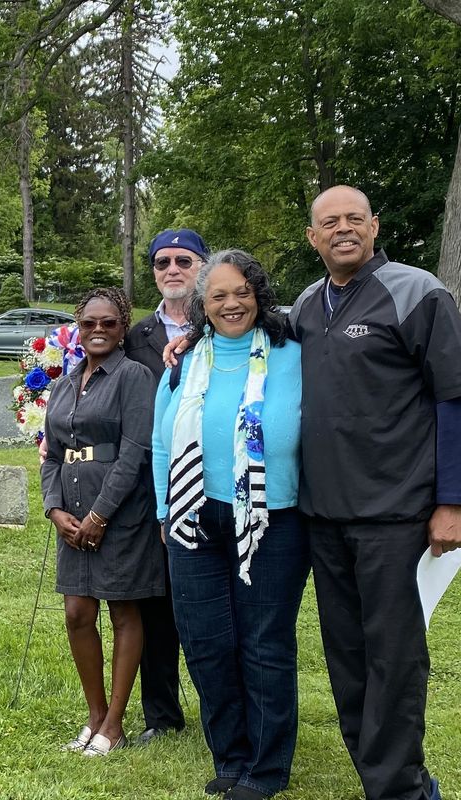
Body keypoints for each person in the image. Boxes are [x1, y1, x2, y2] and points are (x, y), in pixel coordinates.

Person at [290, 185, 461, 800]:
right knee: (346, 655)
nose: (342, 230)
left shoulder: (418, 292)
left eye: (353, 220)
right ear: (312, 238)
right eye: (328, 222)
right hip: (322, 513)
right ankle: (379, 774)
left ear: (373, 226)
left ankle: (401, 788)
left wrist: (452, 501)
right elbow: (244, 336)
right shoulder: (306, 305)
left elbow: (453, 398)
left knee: (394, 656)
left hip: (394, 511)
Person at [153, 250, 307, 800]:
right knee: (206, 642)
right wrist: (164, 511)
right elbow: (158, 441)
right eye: (217, 295)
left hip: (272, 520)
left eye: (241, 291)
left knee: (263, 644)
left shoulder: (294, 353)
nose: (231, 303)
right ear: (202, 305)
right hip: (193, 519)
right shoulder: (185, 360)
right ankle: (231, 755)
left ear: (258, 294)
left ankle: (265, 770)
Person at [41, 287, 162, 757]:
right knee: (77, 613)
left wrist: (99, 515)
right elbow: (50, 453)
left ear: (122, 326)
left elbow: (135, 453)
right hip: (71, 512)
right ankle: (92, 716)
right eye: (89, 322)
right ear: (78, 326)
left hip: (121, 513)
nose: (98, 330)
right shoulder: (64, 384)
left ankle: (114, 723)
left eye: (108, 323)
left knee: (123, 612)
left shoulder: (133, 377)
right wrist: (55, 511)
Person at [121, 227, 209, 745]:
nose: (172, 270)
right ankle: (161, 713)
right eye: (161, 263)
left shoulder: (222, 320)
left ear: (201, 265)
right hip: (149, 485)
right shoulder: (135, 337)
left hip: (209, 478)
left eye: (183, 260)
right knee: (155, 602)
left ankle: (220, 702)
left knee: (201, 600)